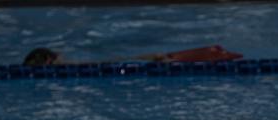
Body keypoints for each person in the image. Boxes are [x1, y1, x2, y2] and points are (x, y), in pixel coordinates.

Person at [22, 44, 243, 66]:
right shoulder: (71, 64)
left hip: (134, 60)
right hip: (133, 59)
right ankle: (210, 52)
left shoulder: (68, 67)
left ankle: (211, 53)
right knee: (163, 58)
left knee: (162, 59)